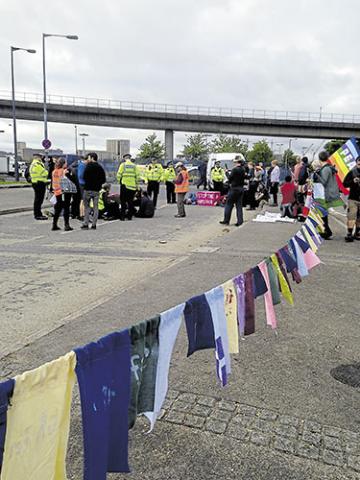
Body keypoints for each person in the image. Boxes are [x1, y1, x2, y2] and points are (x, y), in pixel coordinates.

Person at [312, 150, 342, 239]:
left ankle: (327, 232)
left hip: (323, 194)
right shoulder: (329, 168)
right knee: (322, 214)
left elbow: (323, 182)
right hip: (325, 193)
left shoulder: (325, 169)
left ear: (320, 158)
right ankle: (325, 231)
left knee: (322, 214)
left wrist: (316, 174)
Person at [81, 152, 106, 230]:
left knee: (87, 207)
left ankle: (86, 224)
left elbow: (84, 176)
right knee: (96, 207)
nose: (88, 159)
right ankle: (94, 224)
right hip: (96, 190)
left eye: (88, 157)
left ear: (92, 158)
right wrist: (98, 184)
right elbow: (103, 179)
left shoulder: (88, 166)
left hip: (88, 189)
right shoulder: (100, 167)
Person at [219, 156, 246, 226]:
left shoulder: (235, 169)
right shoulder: (243, 169)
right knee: (239, 206)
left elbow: (230, 179)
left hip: (234, 189)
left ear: (237, 162)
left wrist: (226, 173)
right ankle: (240, 221)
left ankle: (226, 220)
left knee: (229, 204)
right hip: (241, 189)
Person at [51, 157, 74, 231]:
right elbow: (69, 180)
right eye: (66, 163)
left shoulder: (54, 171)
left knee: (58, 208)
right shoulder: (64, 171)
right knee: (66, 208)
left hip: (57, 192)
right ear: (63, 164)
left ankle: (54, 224)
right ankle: (66, 225)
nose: (66, 164)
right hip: (64, 192)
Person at [117, 153, 140, 221]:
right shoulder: (134, 166)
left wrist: (120, 182)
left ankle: (123, 217)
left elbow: (119, 175)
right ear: (130, 158)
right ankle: (130, 216)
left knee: (123, 202)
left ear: (124, 158)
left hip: (124, 186)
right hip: (132, 186)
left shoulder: (123, 165)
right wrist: (136, 184)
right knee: (130, 202)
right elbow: (137, 176)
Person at [343, 156, 360, 242]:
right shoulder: (352, 173)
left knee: (359, 218)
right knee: (352, 216)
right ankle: (349, 234)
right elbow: (344, 184)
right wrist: (353, 181)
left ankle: (357, 233)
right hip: (353, 198)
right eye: (358, 162)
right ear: (356, 162)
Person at [29, 153, 49, 220]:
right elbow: (45, 173)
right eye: (41, 157)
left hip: (35, 182)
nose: (41, 158)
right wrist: (46, 171)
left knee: (38, 199)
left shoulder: (33, 164)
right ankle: (38, 214)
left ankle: (38, 214)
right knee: (39, 200)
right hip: (39, 183)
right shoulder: (37, 164)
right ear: (38, 157)